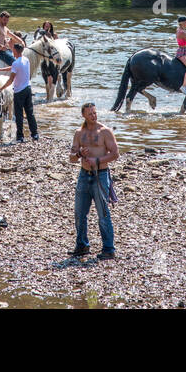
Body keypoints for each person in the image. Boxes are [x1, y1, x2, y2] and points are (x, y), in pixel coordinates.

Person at [68, 103, 119, 260]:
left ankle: (109, 249)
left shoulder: (104, 131)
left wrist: (97, 160)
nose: (93, 116)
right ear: (83, 115)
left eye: (95, 113)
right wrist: (79, 154)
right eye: (90, 114)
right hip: (84, 175)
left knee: (103, 213)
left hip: (100, 175)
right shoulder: (79, 133)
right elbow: (71, 158)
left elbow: (115, 153)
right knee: (79, 212)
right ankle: (82, 245)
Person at [0, 38, 38, 142]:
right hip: (28, 88)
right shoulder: (26, 60)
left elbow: (10, 79)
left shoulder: (16, 63)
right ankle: (35, 134)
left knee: (18, 115)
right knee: (30, 113)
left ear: (16, 51)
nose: (11, 51)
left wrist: (1, 88)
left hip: (19, 92)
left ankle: (20, 136)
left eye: (13, 50)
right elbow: (13, 67)